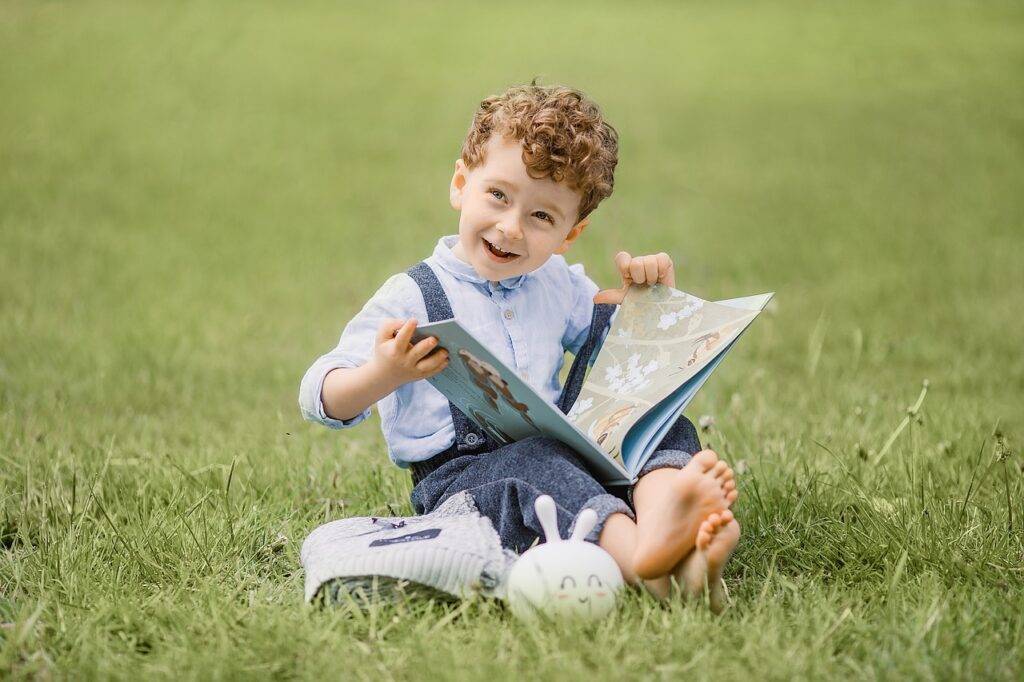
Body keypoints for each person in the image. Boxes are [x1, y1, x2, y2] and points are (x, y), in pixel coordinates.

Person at [299, 84, 739, 608]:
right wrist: (383, 373)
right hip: (465, 485)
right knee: (537, 462)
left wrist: (647, 301)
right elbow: (319, 395)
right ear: (461, 184)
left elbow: (619, 356)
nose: (511, 228)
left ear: (569, 235)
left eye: (542, 218)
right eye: (498, 196)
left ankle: (673, 527)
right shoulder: (412, 295)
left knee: (661, 423)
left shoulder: (557, 282)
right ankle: (645, 555)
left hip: (569, 457)